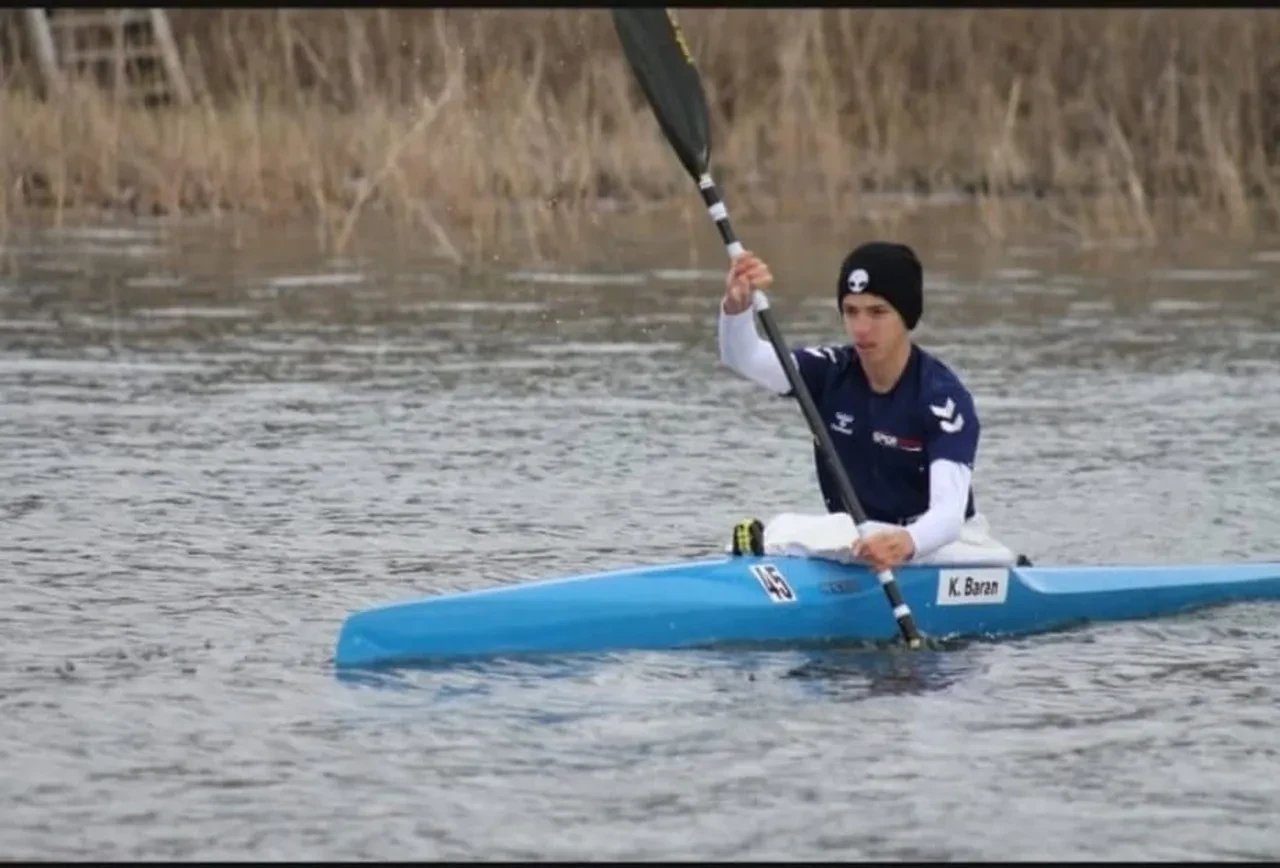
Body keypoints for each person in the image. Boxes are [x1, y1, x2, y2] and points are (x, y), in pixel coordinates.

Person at [717, 240, 1022, 572]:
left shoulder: (941, 398)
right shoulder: (830, 371)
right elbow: (743, 357)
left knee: (825, 533)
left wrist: (906, 543)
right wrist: (737, 309)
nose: (861, 328)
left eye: (877, 312)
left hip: (944, 546)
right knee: (787, 527)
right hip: (858, 542)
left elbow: (947, 517)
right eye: (851, 311)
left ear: (906, 316)